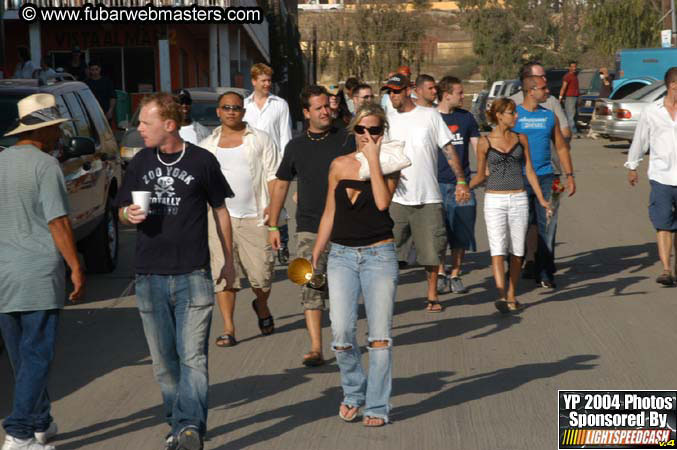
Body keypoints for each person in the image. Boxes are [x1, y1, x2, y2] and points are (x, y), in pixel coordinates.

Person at [115, 92, 235, 450]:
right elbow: (120, 208)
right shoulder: (138, 163)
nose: (139, 129)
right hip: (149, 276)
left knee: (193, 357)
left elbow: (221, 211)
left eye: (144, 123)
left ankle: (189, 428)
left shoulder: (202, 161)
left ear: (169, 125)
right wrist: (127, 215)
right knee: (164, 363)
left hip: (193, 276)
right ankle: (176, 423)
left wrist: (228, 261)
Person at [0, 93, 85, 450]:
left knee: (22, 355)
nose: (57, 135)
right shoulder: (46, 165)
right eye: (55, 129)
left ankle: (39, 421)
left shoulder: (1, 161)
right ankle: (19, 433)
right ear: (46, 131)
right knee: (37, 355)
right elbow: (58, 222)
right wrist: (76, 266)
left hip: (4, 273)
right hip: (37, 271)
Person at [312, 103, 399, 427]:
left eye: (374, 130)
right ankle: (353, 391)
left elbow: (381, 202)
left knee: (379, 337)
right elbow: (329, 213)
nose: (367, 136)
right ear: (353, 131)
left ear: (382, 132)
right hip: (341, 256)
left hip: (379, 256)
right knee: (341, 333)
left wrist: (374, 160)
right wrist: (317, 251)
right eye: (361, 130)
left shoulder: (391, 164)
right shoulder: (338, 165)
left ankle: (376, 406)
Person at [268, 85, 356, 367]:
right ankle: (316, 347)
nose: (325, 111)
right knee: (311, 286)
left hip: (345, 226)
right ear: (306, 113)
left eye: (327, 106)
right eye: (318, 108)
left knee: (343, 288)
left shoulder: (346, 139)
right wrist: (273, 224)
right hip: (309, 228)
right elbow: (282, 183)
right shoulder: (296, 146)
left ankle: (344, 340)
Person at [383, 73, 470, 313]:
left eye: (397, 91)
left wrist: (461, 180)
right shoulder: (389, 119)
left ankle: (432, 295)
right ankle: (385, 298)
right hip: (397, 198)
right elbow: (384, 155)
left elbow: (448, 148)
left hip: (428, 196)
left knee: (432, 250)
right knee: (387, 253)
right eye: (389, 92)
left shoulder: (430, 116)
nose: (393, 96)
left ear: (408, 91)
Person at [200, 91, 280, 347]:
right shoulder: (207, 146)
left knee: (262, 276)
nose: (231, 111)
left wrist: (274, 212)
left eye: (236, 107)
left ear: (243, 112)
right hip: (220, 220)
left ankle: (262, 305)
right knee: (225, 274)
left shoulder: (260, 139)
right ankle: (229, 328)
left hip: (256, 218)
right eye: (226, 107)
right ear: (218, 112)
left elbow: (274, 177)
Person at [469, 98, 550, 313]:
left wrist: (542, 199)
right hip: (494, 199)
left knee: (517, 250)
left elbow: (530, 171)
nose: (516, 116)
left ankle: (512, 294)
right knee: (497, 249)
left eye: (515, 112)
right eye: (511, 112)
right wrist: (463, 187)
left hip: (519, 197)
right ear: (499, 115)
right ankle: (502, 295)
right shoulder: (485, 142)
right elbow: (480, 175)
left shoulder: (521, 138)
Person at [510, 61, 572, 279]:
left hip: (546, 176)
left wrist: (569, 175)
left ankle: (545, 273)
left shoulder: (549, 115)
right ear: (531, 90)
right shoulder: (512, 114)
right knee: (519, 225)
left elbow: (562, 146)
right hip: (518, 178)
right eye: (543, 87)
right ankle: (516, 270)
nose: (548, 90)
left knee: (547, 224)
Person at [625, 67, 677, 286]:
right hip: (661, 176)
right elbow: (641, 139)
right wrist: (632, 165)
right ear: (672, 85)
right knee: (663, 223)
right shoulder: (652, 111)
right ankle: (666, 269)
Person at [243, 63, 293, 264]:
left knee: (277, 204)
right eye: (263, 80)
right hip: (251, 164)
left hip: (275, 164)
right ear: (254, 81)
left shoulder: (279, 104)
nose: (267, 84)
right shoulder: (245, 106)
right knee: (254, 203)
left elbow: (285, 136)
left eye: (269, 80)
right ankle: (257, 246)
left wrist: (287, 165)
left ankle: (283, 245)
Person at [435, 76, 480, 294]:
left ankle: (456, 274)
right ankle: (441, 273)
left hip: (462, 185)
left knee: (461, 232)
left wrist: (481, 174)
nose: (463, 96)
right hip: (436, 184)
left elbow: (478, 147)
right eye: (460, 93)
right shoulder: (431, 118)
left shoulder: (467, 118)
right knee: (439, 233)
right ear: (446, 95)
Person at [559, 61, 580, 137]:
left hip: (575, 97)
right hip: (570, 98)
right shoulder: (567, 76)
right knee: (570, 115)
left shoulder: (575, 76)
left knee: (575, 115)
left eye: (575, 66)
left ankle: (575, 130)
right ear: (569, 68)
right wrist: (560, 97)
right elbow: (563, 87)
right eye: (573, 67)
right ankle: (573, 132)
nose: (574, 68)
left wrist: (579, 97)